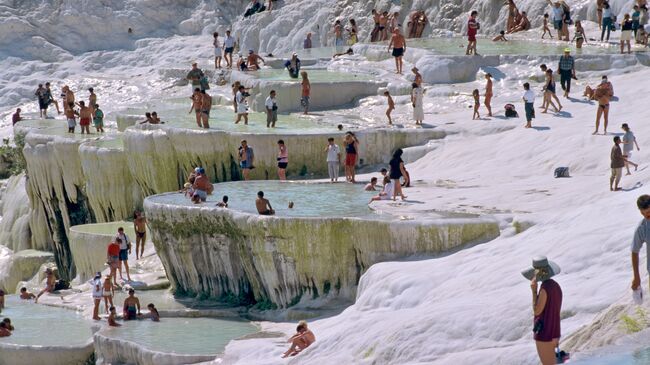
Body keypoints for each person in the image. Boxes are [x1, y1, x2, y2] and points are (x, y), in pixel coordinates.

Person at [522, 256, 562, 365]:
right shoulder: (556, 286)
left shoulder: (545, 289)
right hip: (555, 332)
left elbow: (537, 311)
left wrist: (534, 291)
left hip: (545, 334)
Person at [631, 195, 650, 294]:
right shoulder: (642, 228)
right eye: (646, 213)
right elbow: (634, 251)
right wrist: (636, 276)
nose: (648, 215)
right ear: (641, 212)